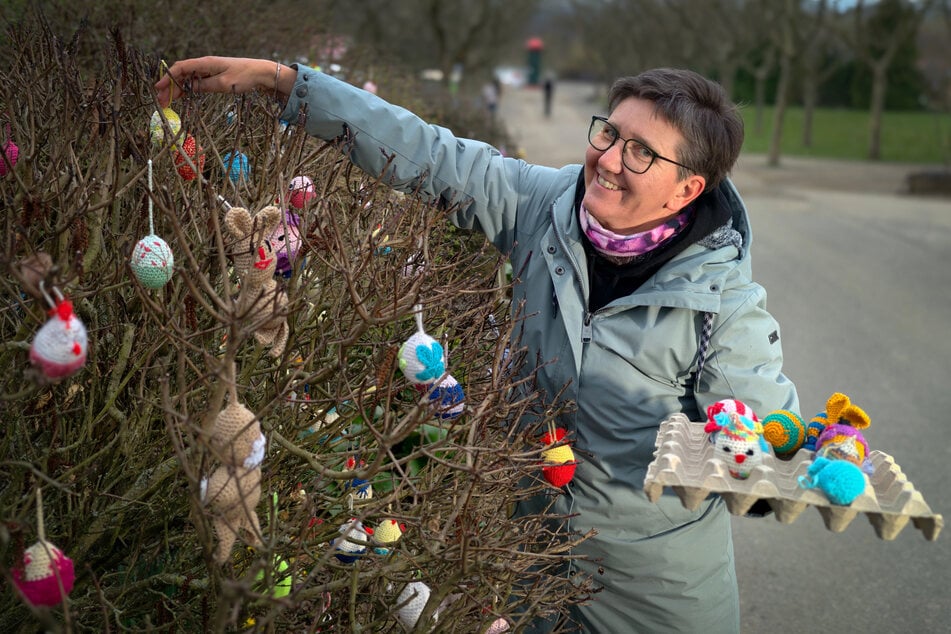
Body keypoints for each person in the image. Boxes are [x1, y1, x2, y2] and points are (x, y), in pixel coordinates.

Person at [156, 58, 798, 633]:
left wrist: (771, 459)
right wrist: (287, 84)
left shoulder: (724, 304)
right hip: (521, 562)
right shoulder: (543, 206)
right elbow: (431, 154)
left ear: (688, 187)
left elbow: (766, 431)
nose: (607, 159)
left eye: (640, 152)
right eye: (609, 133)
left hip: (652, 594)